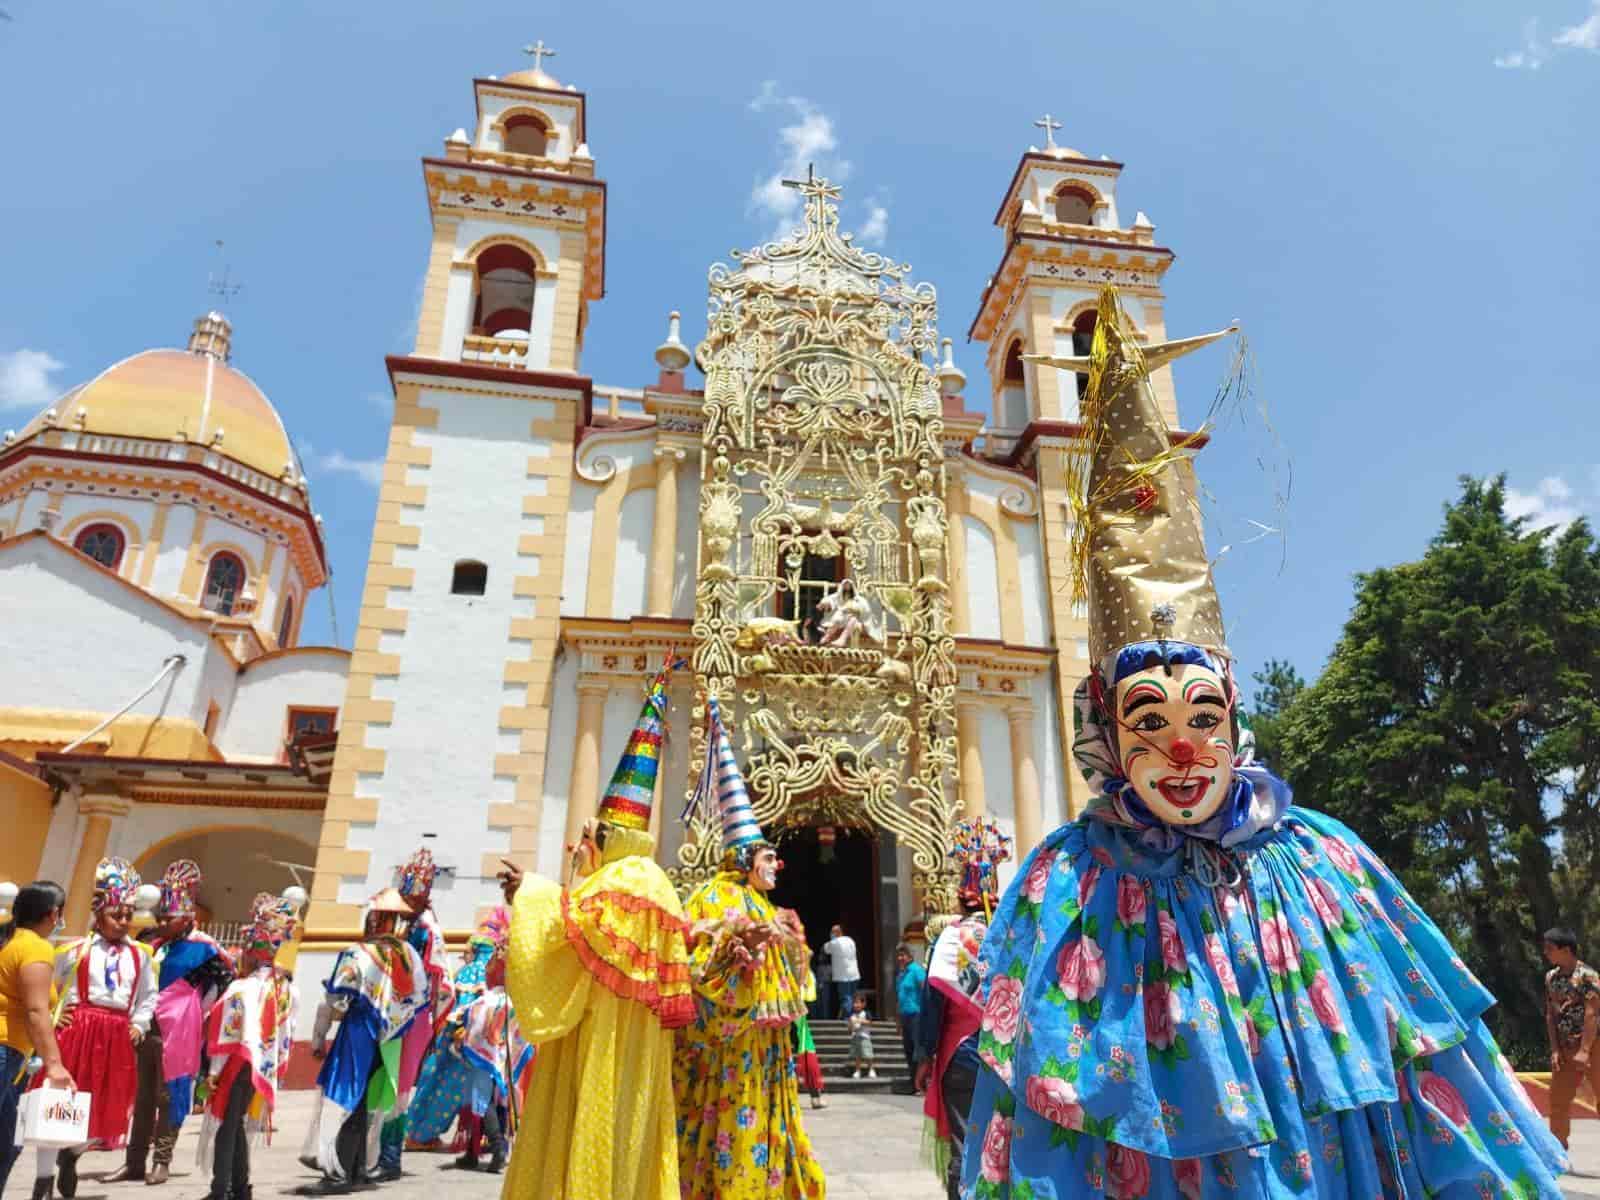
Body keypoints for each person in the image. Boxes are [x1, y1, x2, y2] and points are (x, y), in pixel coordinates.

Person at [959, 286, 1568, 1197]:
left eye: (1206, 720)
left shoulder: (1323, 853)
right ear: (1105, 740)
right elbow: (1034, 1105)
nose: (1186, 753)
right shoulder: (1072, 876)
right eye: (1150, 726)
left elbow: (1420, 1050)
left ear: (1238, 725)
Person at [499, 658, 694, 1200]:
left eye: (590, 836)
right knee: (633, 1127)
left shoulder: (619, 881)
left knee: (592, 1114)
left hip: (599, 1035)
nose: (581, 848)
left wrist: (531, 892)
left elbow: (569, 933)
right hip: (637, 1045)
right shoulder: (653, 882)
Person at [674, 697, 825, 1199]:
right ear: (743, 859)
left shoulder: (769, 906)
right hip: (729, 1044)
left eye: (775, 858)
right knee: (731, 1118)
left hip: (768, 1048)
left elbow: (797, 979)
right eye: (768, 856)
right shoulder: (714, 894)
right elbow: (695, 953)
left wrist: (790, 942)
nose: (775, 865)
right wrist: (737, 948)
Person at [32, 858, 158, 1200]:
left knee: (106, 1107)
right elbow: (46, 987)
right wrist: (56, 1016)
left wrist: (139, 1024)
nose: (123, 922)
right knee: (57, 1104)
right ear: (99, 914)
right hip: (79, 1030)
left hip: (117, 1035)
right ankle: (43, 1180)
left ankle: (71, 1155)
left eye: (128, 915)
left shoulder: (141, 956)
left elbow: (149, 995)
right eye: (116, 915)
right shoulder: (74, 950)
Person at [110, 860, 235, 1186]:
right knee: (142, 1096)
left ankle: (162, 1160)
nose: (163, 921)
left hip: (180, 1031)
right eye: (161, 916)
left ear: (189, 916)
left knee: (170, 1095)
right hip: (146, 1027)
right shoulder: (152, 943)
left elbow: (226, 982)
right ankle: (133, 1162)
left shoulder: (206, 948)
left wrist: (197, 1011)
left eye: (171, 916)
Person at [301, 888, 428, 1193]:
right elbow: (419, 996)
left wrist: (321, 1034)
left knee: (344, 1098)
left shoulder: (358, 952)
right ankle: (358, 1170)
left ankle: (339, 1172)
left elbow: (337, 995)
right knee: (363, 1103)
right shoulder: (407, 955)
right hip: (389, 1037)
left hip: (358, 1029)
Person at [914, 816, 1008, 1200]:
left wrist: (923, 1054)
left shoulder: (951, 938)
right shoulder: (1013, 931)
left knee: (964, 1144)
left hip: (962, 1054)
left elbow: (932, 1002)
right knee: (1004, 1143)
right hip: (1006, 1054)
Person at [195, 891, 301, 1200]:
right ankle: (240, 1187)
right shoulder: (286, 989)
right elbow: (287, 1032)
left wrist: (213, 1072)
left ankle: (220, 1190)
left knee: (226, 1124)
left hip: (237, 1064)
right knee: (238, 1124)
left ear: (254, 951)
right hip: (261, 1065)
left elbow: (227, 1034)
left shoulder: (243, 987)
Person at [404, 907, 527, 1168]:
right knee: (483, 1100)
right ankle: (475, 1150)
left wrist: (457, 1038)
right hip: (497, 1054)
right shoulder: (510, 993)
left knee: (475, 1100)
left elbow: (463, 1013)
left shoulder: (477, 980)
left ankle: (495, 1148)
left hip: (473, 1051)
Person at [374, 848, 452, 1182]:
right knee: (380, 1084)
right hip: (388, 1011)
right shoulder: (398, 924)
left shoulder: (426, 930)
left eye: (413, 896)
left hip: (413, 1014)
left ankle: (389, 1157)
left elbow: (436, 980)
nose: (408, 901)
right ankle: (371, 1152)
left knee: (400, 1087)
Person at [0, 881, 72, 1197]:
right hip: (6, 1051)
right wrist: (55, 1065)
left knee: (7, 1143)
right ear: (54, 914)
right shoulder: (36, 947)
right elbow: (35, 1010)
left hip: (13, 1057)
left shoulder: (8, 939)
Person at [1543, 926, 1600, 1148]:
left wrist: (1585, 1050)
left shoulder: (1588, 975)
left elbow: (1592, 1013)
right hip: (1565, 1048)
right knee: (1557, 1100)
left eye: (1550, 948)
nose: (1546, 953)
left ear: (1566, 950)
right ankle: (1558, 1150)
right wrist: (1555, 1049)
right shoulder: (1551, 977)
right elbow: (1551, 1014)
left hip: (1593, 1046)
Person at [792, 966, 826, 1110]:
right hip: (792, 1016)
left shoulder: (805, 972)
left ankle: (815, 1096)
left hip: (795, 1016)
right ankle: (815, 1097)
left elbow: (809, 997)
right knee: (806, 1054)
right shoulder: (804, 972)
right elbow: (810, 998)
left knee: (806, 1054)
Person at [893, 941, 925, 1080]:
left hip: (917, 1015)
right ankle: (914, 1081)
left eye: (903, 955)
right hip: (905, 1017)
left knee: (918, 1050)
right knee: (908, 1049)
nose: (900, 958)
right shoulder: (900, 975)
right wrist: (898, 1022)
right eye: (899, 955)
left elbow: (926, 990)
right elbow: (899, 999)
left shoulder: (917, 971)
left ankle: (921, 1082)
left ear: (910, 956)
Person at [822, 923, 860, 1019]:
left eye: (832, 932)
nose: (831, 933)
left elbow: (825, 949)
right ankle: (853, 1017)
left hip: (843, 976)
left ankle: (848, 1018)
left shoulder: (835, 942)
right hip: (854, 974)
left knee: (846, 998)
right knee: (852, 997)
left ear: (837, 933)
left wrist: (832, 940)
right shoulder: (850, 940)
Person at [848, 992, 877, 1080]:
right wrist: (851, 1025)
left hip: (864, 1037)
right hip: (855, 1037)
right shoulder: (852, 1015)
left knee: (868, 1054)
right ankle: (857, 1070)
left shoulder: (866, 1013)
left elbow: (870, 1022)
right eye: (854, 1003)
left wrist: (860, 1021)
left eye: (858, 1002)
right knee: (857, 1055)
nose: (856, 1005)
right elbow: (850, 1028)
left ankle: (871, 1069)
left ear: (863, 1004)